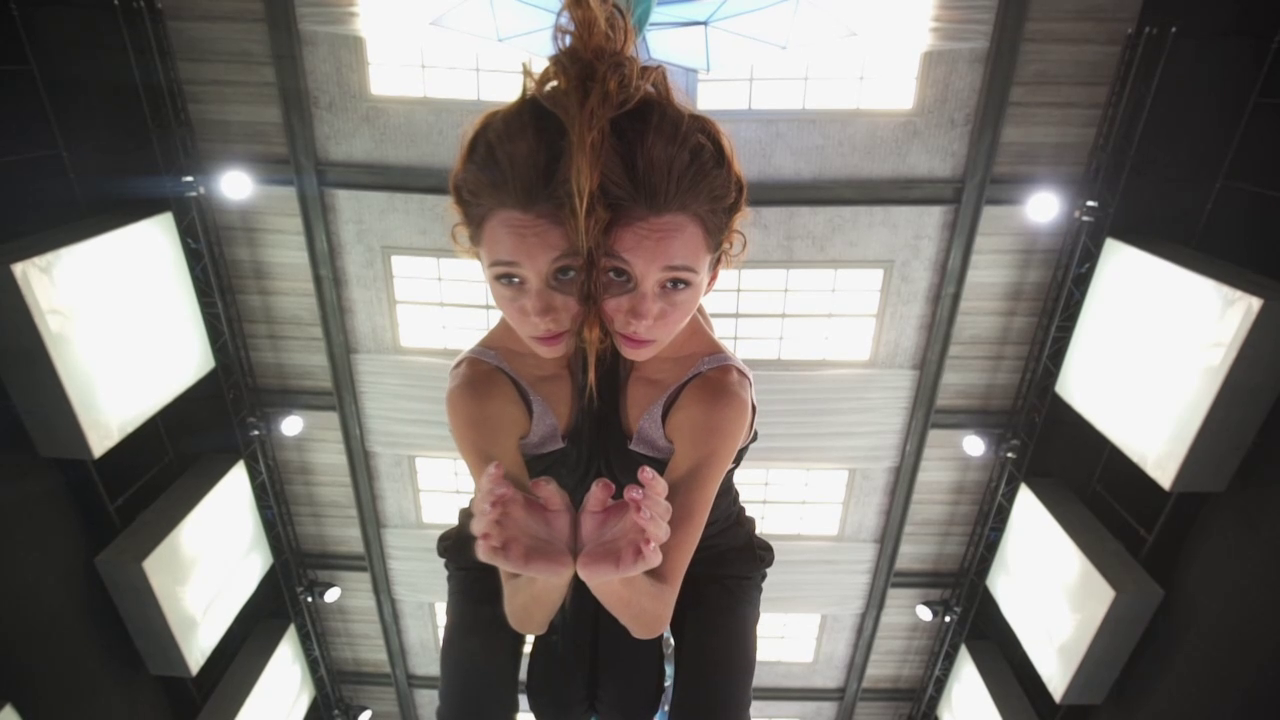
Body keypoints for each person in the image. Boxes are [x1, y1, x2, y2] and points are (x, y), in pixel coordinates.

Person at [538, 0, 776, 717]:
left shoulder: (716, 397)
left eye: (676, 283)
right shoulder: (571, 318)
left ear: (714, 274)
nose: (643, 315)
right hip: (612, 520)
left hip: (709, 560)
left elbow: (651, 612)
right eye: (618, 275)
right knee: (577, 696)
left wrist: (590, 564)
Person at [434, 36, 673, 720]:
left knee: (620, 693)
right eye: (508, 278)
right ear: (480, 261)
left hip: (611, 520)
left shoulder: (637, 320)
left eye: (565, 273)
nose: (537, 311)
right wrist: (546, 569)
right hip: (507, 536)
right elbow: (526, 611)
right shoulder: (479, 390)